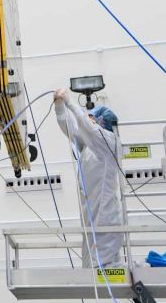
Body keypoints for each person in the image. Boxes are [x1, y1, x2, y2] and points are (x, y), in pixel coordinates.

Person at [53, 88, 125, 268]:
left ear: (101, 122)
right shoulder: (90, 146)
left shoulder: (109, 142)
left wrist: (70, 102)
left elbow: (88, 128)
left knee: (103, 268)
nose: (88, 119)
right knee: (90, 268)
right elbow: (71, 128)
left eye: (92, 117)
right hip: (92, 218)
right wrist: (59, 107)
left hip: (105, 218)